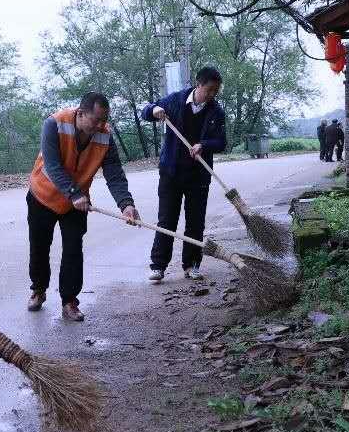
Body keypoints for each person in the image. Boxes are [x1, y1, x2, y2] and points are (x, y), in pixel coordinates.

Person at [27, 92, 140, 321]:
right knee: (40, 246)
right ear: (80, 114)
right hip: (43, 196)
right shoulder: (54, 124)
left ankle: (69, 301)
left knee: (73, 249)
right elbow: (53, 165)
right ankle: (38, 290)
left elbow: (115, 175)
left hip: (77, 203)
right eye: (96, 120)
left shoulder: (105, 137)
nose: (100, 125)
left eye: (104, 120)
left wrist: (126, 204)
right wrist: (73, 193)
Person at [141, 67, 228, 282]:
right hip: (171, 172)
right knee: (167, 219)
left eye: (215, 91)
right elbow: (146, 111)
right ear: (198, 85)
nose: (212, 95)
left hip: (198, 176)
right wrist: (154, 111)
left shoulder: (216, 112)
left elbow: (221, 142)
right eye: (209, 90)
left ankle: (191, 264)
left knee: (195, 222)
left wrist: (203, 145)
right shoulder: (176, 101)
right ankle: (158, 266)